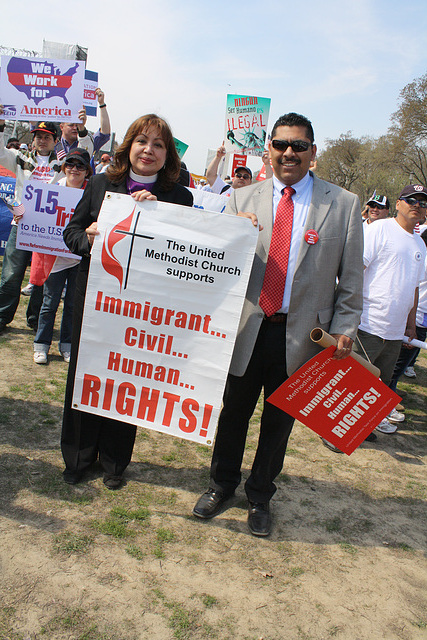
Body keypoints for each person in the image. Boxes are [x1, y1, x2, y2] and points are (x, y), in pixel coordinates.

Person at [193, 112, 364, 536]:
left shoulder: (342, 204)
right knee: (233, 415)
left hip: (302, 337)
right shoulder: (240, 199)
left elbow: (352, 280)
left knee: (277, 425)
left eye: (299, 146)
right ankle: (221, 484)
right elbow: (214, 261)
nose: (289, 153)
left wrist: (345, 328)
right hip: (247, 329)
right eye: (281, 145)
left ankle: (260, 495)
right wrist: (231, 231)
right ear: (267, 150)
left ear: (313, 153)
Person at [61, 114, 193, 490]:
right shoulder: (101, 184)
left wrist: (156, 217)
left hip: (144, 310)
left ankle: (115, 462)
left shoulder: (179, 197)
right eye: (141, 141)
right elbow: (71, 233)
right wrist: (89, 238)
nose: (148, 150)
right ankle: (78, 457)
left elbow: (185, 252)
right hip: (95, 302)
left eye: (158, 144)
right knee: (86, 376)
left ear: (167, 155)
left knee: (127, 378)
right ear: (128, 146)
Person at [353, 185, 427, 434]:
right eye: (411, 200)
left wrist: (410, 324)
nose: (417, 205)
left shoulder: (420, 244)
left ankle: (361, 428)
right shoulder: (380, 228)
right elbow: (356, 271)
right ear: (398, 204)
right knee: (353, 382)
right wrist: (348, 314)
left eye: (423, 202)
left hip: (395, 332)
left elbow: (414, 287)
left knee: (379, 385)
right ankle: (335, 432)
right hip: (367, 324)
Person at [0, 117, 62, 333]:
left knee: (41, 277)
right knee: (11, 274)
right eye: (38, 137)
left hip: (46, 230)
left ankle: (35, 320)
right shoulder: (20, 157)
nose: (42, 140)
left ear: (55, 141)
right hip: (21, 225)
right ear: (33, 140)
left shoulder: (62, 164)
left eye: (47, 137)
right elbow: (0, 153)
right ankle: (2, 317)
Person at [33, 149, 92, 364]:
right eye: (70, 164)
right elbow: (33, 214)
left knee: (73, 306)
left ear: (87, 171)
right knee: (49, 303)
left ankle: (67, 345)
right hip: (55, 259)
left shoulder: (92, 194)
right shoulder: (51, 189)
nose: (74, 169)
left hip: (79, 258)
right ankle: (41, 345)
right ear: (64, 167)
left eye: (80, 166)